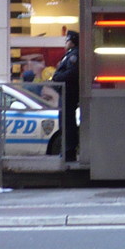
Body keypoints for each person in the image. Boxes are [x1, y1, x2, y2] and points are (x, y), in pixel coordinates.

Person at [51, 30, 80, 161]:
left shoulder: (74, 55)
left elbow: (71, 73)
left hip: (69, 93)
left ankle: (69, 151)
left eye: (67, 40)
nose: (65, 43)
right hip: (66, 93)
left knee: (67, 123)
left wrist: (56, 77)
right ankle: (67, 150)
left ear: (72, 41)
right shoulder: (70, 55)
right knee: (65, 122)